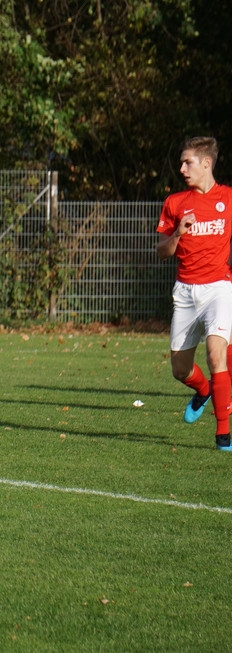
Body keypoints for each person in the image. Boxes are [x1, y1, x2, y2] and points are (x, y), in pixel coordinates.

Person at [156, 136, 232, 451]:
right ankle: (203, 391)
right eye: (182, 163)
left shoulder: (228, 199)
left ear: (206, 163)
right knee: (180, 369)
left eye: (188, 162)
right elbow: (162, 251)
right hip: (186, 292)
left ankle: (223, 433)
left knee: (216, 353)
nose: (182, 169)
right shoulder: (175, 203)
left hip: (219, 288)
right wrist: (177, 233)